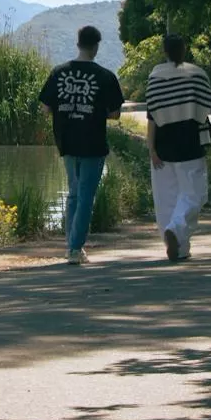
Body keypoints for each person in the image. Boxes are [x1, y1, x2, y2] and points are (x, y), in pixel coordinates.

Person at [39, 25, 125, 264]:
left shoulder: (58, 73)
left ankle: (72, 245)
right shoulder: (105, 76)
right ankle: (75, 248)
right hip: (93, 142)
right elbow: (115, 113)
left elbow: (45, 108)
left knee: (74, 193)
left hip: (66, 141)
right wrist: (94, 112)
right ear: (96, 46)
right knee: (86, 196)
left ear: (78, 43)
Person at [143, 34, 211, 262]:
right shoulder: (196, 74)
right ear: (184, 49)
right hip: (190, 141)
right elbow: (207, 105)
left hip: (163, 144)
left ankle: (179, 248)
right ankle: (175, 231)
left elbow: (152, 117)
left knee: (167, 198)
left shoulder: (155, 77)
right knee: (194, 194)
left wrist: (151, 149)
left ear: (164, 51)